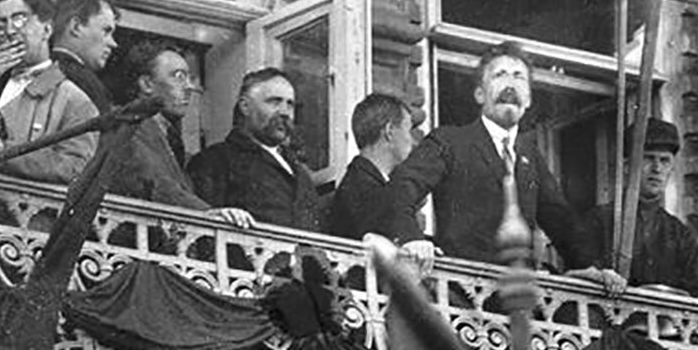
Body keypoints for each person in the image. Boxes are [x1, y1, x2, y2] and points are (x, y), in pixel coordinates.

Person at [381, 41, 624, 292]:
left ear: (528, 99)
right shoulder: (449, 142)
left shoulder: (530, 157)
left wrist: (589, 267)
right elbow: (401, 187)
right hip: (463, 295)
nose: (510, 84)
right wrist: (412, 238)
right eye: (499, 75)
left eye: (519, 77)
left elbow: (561, 220)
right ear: (479, 94)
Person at [0, 0, 99, 183]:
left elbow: (75, 168)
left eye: (20, 19)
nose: (10, 31)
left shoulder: (75, 101)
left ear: (47, 29)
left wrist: (9, 156)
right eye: (1, 23)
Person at [109, 41, 254, 228]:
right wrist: (207, 214)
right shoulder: (131, 125)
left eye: (189, 78)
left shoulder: (166, 135)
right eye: (178, 77)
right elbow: (157, 185)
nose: (189, 87)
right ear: (147, 84)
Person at [186, 67, 321, 231]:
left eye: (290, 104)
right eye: (274, 102)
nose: (285, 112)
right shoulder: (215, 160)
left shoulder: (300, 173)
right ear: (245, 106)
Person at [587, 117, 698, 297]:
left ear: (671, 170)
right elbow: (579, 275)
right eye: (648, 158)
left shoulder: (680, 234)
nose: (657, 169)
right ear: (627, 166)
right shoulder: (600, 220)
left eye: (664, 161)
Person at [327, 92, 416, 239]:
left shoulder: (365, 182)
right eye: (408, 130)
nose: (412, 141)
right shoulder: (365, 188)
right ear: (389, 132)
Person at [50, 0, 119, 112]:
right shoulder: (86, 83)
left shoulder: (36, 73)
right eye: (106, 31)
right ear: (76, 27)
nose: (113, 43)